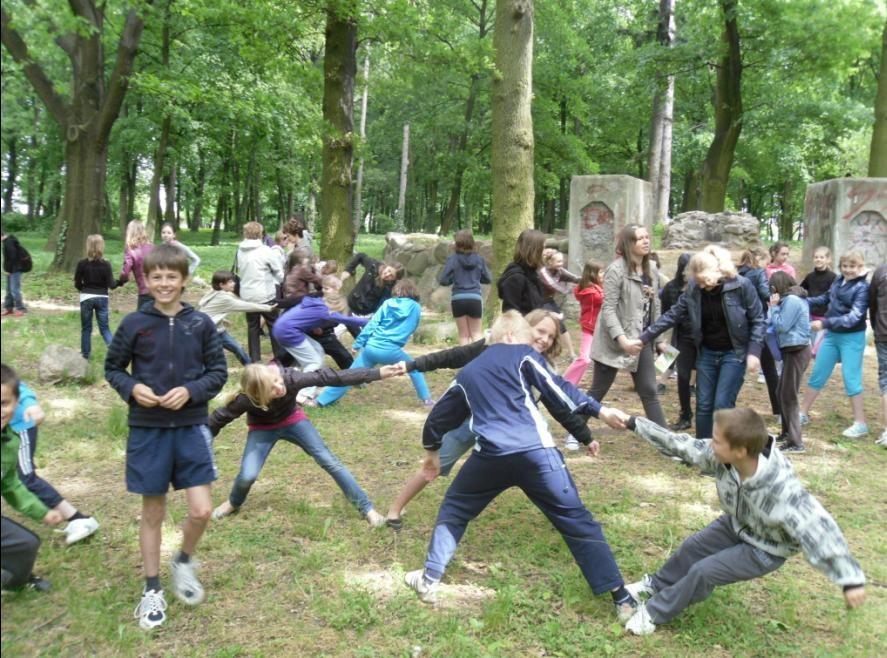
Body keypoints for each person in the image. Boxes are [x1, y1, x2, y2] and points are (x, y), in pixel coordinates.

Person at [402, 312, 638, 622]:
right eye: (529, 337)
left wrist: (432, 454)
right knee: (577, 520)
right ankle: (622, 598)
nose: (534, 343)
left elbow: (437, 419)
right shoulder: (523, 355)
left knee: (455, 509)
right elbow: (558, 390)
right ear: (512, 336)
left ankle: (429, 579)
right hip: (537, 454)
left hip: (491, 457)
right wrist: (600, 410)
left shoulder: (467, 373)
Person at [619, 408, 866, 636]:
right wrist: (633, 423)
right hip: (737, 524)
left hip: (766, 548)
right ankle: (655, 585)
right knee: (692, 548)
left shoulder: (780, 489)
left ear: (740, 451)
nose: (710, 444)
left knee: (704, 572)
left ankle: (653, 612)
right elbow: (683, 446)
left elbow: (820, 530)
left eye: (716, 441)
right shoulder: (725, 458)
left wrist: (850, 580)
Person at [105, 244, 228, 630]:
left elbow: (218, 372)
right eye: (155, 276)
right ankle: (152, 588)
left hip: (192, 426)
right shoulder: (133, 324)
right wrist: (131, 388)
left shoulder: (202, 324)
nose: (163, 283)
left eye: (170, 277)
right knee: (153, 511)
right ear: (147, 278)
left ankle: (184, 560)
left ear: (184, 280)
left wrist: (191, 391)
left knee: (201, 510)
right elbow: (113, 368)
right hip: (147, 428)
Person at [384, 308, 587, 527]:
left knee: (545, 468)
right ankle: (395, 508)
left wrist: (584, 435)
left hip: (508, 431)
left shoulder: (541, 366)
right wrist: (412, 365)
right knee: (435, 463)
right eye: (541, 331)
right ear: (526, 327)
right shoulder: (492, 346)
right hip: (469, 419)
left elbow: (558, 407)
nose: (545, 339)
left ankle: (569, 517)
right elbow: (450, 356)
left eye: (551, 337)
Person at [209, 363, 398, 526]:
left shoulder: (290, 379)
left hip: (293, 421)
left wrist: (377, 373)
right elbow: (218, 419)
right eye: (271, 388)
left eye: (277, 380)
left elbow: (332, 377)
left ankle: (368, 510)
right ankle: (233, 502)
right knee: (247, 475)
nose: (279, 386)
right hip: (262, 429)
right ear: (258, 394)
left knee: (329, 461)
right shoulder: (245, 399)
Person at [636, 245, 764, 439]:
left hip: (734, 353)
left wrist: (754, 352)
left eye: (705, 282)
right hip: (706, 352)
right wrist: (644, 337)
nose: (702, 287)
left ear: (717, 272)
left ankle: (722, 451)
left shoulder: (741, 285)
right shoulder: (694, 288)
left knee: (722, 404)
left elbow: (758, 320)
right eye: (698, 282)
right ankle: (703, 450)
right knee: (703, 404)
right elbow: (673, 314)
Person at [589, 224, 668, 427]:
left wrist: (659, 339)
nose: (645, 241)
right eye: (639, 238)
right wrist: (622, 340)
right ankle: (575, 428)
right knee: (598, 390)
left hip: (642, 339)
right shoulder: (616, 270)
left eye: (646, 236)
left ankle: (667, 441)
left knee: (649, 390)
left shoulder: (652, 269)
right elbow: (608, 310)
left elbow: (655, 305)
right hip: (614, 341)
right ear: (628, 243)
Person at [315, 280, 433, 407]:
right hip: (391, 350)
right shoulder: (415, 307)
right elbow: (412, 326)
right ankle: (426, 400)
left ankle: (322, 400)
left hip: (371, 348)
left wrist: (357, 344)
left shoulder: (388, 303)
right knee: (414, 369)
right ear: (413, 292)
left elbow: (372, 324)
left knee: (351, 375)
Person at [11, 377, 100, 545]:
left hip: (17, 429)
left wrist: (30, 403)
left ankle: (78, 520)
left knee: (24, 479)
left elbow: (12, 383)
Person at [1, 364, 63, 591]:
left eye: (3, 404)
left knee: (27, 544)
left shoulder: (10, 442)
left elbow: (11, 486)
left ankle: (14, 582)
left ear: (16, 404)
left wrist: (42, 512)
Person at [799, 251, 870, 438]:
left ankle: (860, 423)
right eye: (845, 266)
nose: (848, 270)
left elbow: (854, 317)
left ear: (860, 267)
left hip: (852, 337)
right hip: (831, 336)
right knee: (818, 373)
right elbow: (825, 298)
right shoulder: (839, 281)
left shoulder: (862, 287)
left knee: (851, 378)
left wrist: (824, 323)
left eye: (853, 266)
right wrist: (801, 300)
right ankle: (802, 413)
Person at [271, 296, 368, 402]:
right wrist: (371, 321)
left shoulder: (316, 302)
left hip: (282, 327)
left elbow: (303, 315)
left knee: (318, 350)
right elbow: (348, 320)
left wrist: (314, 325)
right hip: (288, 332)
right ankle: (303, 396)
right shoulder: (326, 312)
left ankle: (312, 383)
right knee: (313, 362)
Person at [768, 272, 811, 452]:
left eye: (772, 287)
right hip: (792, 350)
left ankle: (796, 442)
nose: (771, 291)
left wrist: (774, 307)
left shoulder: (792, 300)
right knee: (781, 391)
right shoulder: (791, 299)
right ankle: (787, 433)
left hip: (797, 350)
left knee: (789, 396)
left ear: (777, 286)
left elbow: (782, 325)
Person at [737, 248, 781, 420]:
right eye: (766, 261)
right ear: (758, 259)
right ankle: (779, 411)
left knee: (735, 368)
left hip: (738, 325)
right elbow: (765, 294)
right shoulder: (758, 272)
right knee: (769, 369)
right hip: (756, 326)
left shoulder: (737, 272)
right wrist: (775, 296)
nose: (767, 265)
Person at [197, 270, 275, 366]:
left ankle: (252, 370)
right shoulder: (224, 298)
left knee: (238, 349)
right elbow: (246, 306)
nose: (233, 283)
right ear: (221, 285)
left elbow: (206, 310)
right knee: (211, 358)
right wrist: (268, 308)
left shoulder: (215, 291)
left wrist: (221, 319)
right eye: (230, 282)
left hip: (217, 330)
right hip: (207, 333)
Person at [236, 221, 284, 363]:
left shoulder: (240, 250)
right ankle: (280, 360)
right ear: (261, 233)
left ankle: (255, 361)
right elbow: (279, 273)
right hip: (266, 295)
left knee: (253, 328)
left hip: (247, 296)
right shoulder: (266, 251)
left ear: (245, 233)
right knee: (274, 326)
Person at [658, 253, 695, 431]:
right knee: (672, 359)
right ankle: (661, 381)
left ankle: (690, 386)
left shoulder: (700, 287)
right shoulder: (671, 288)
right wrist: (662, 335)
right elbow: (665, 312)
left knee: (693, 369)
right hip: (677, 330)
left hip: (698, 334)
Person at [438, 229, 492, 345]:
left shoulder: (452, 259)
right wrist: (477, 278)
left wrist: (453, 279)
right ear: (472, 242)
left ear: (456, 243)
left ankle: (464, 362)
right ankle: (479, 361)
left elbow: (443, 280)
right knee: (477, 334)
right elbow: (488, 279)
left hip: (458, 298)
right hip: (475, 298)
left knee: (463, 335)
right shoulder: (479, 259)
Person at [562, 260, 605, 388]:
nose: (603, 275)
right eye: (601, 272)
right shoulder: (591, 292)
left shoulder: (596, 287)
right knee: (585, 359)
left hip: (599, 329)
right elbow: (601, 299)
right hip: (590, 328)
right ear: (592, 274)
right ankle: (565, 382)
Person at [74, 234, 117, 360]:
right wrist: (120, 282)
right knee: (104, 328)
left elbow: (77, 283)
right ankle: (116, 352)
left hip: (86, 297)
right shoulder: (106, 264)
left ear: (88, 246)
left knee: (86, 328)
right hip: (102, 297)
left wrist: (84, 290)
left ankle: (85, 356)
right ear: (101, 246)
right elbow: (111, 284)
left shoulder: (82, 264)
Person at [341, 253, 405, 329]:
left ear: (394, 279)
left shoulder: (390, 288)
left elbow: (382, 306)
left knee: (361, 337)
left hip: (365, 315)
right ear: (387, 266)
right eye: (388, 270)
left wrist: (374, 320)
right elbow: (360, 256)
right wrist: (348, 270)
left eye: (391, 276)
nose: (387, 274)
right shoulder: (374, 266)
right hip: (350, 304)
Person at [539, 248, 580, 359]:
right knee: (544, 326)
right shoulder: (542, 273)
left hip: (549, 300)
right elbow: (552, 285)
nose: (561, 264)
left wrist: (589, 279)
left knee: (561, 325)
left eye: (562, 261)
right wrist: (569, 290)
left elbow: (575, 278)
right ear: (550, 262)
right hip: (538, 302)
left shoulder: (560, 271)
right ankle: (542, 352)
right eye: (558, 262)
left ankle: (571, 353)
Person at [497, 228, 546, 315]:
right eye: (543, 247)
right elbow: (511, 315)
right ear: (535, 250)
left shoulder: (534, 274)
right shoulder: (515, 278)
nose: (545, 252)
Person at [800, 246, 837, 348]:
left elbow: (833, 296)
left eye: (822, 257)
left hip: (824, 316)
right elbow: (801, 289)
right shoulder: (810, 276)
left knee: (821, 346)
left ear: (828, 260)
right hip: (810, 314)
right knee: (811, 345)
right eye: (816, 257)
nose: (818, 259)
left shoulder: (833, 277)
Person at [118, 220, 155, 310]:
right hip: (159, 290)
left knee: (141, 322)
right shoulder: (153, 247)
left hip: (144, 292)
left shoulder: (130, 250)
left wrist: (121, 281)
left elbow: (125, 273)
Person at [869, 264, 887, 447]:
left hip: (883, 332)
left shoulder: (881, 272)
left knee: (886, 381)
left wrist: (876, 328)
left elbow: (872, 305)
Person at [1, 227, 28, 317]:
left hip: (15, 269)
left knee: (14, 290)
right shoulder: (7, 242)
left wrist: (9, 270)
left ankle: (21, 309)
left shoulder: (9, 243)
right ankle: (9, 308)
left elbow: (13, 258)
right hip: (11, 270)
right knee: (9, 289)